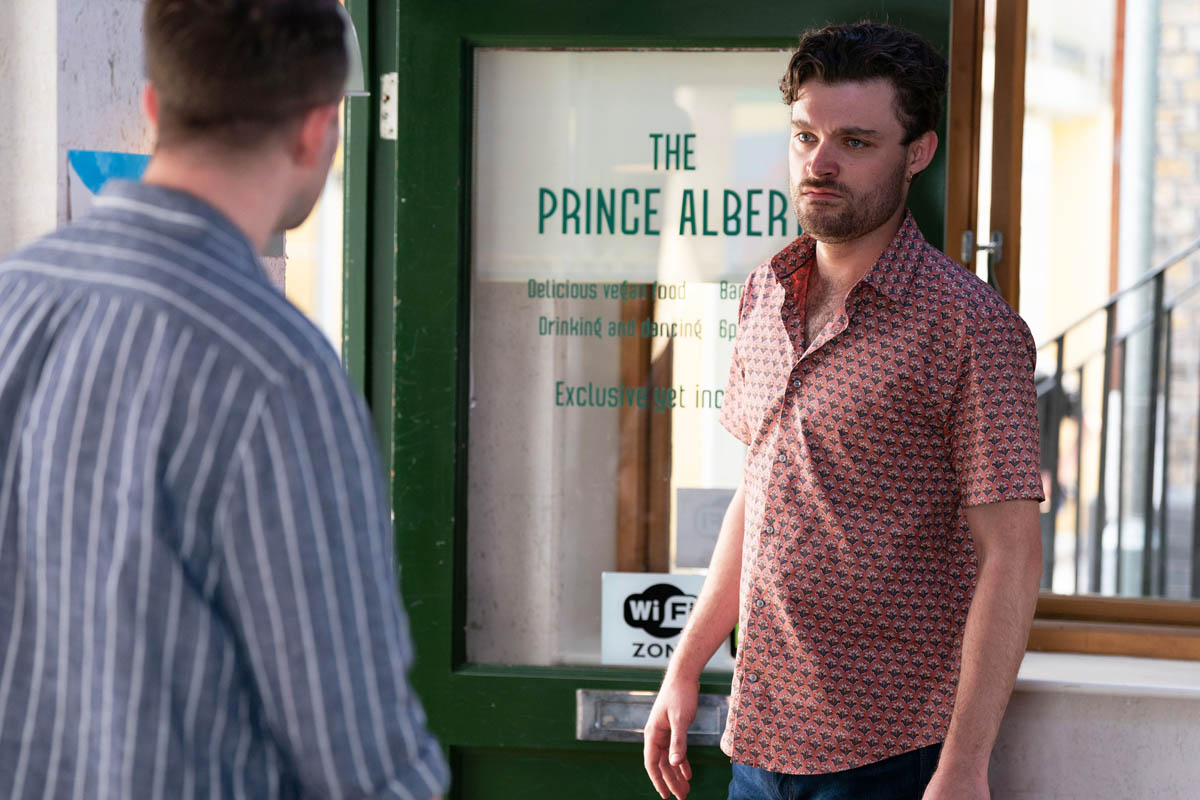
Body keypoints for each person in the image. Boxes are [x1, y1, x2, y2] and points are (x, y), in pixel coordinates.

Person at [0, 1, 448, 797]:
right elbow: (363, 762)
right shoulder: (277, 373)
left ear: (154, 108)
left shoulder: (13, 302)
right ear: (316, 129)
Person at [644, 22, 1043, 800]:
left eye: (855, 142)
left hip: (890, 755)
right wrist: (685, 664)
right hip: (757, 743)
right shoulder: (764, 293)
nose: (819, 163)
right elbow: (760, 493)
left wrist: (965, 765)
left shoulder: (970, 327)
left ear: (917, 153)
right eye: (806, 136)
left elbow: (1013, 556)